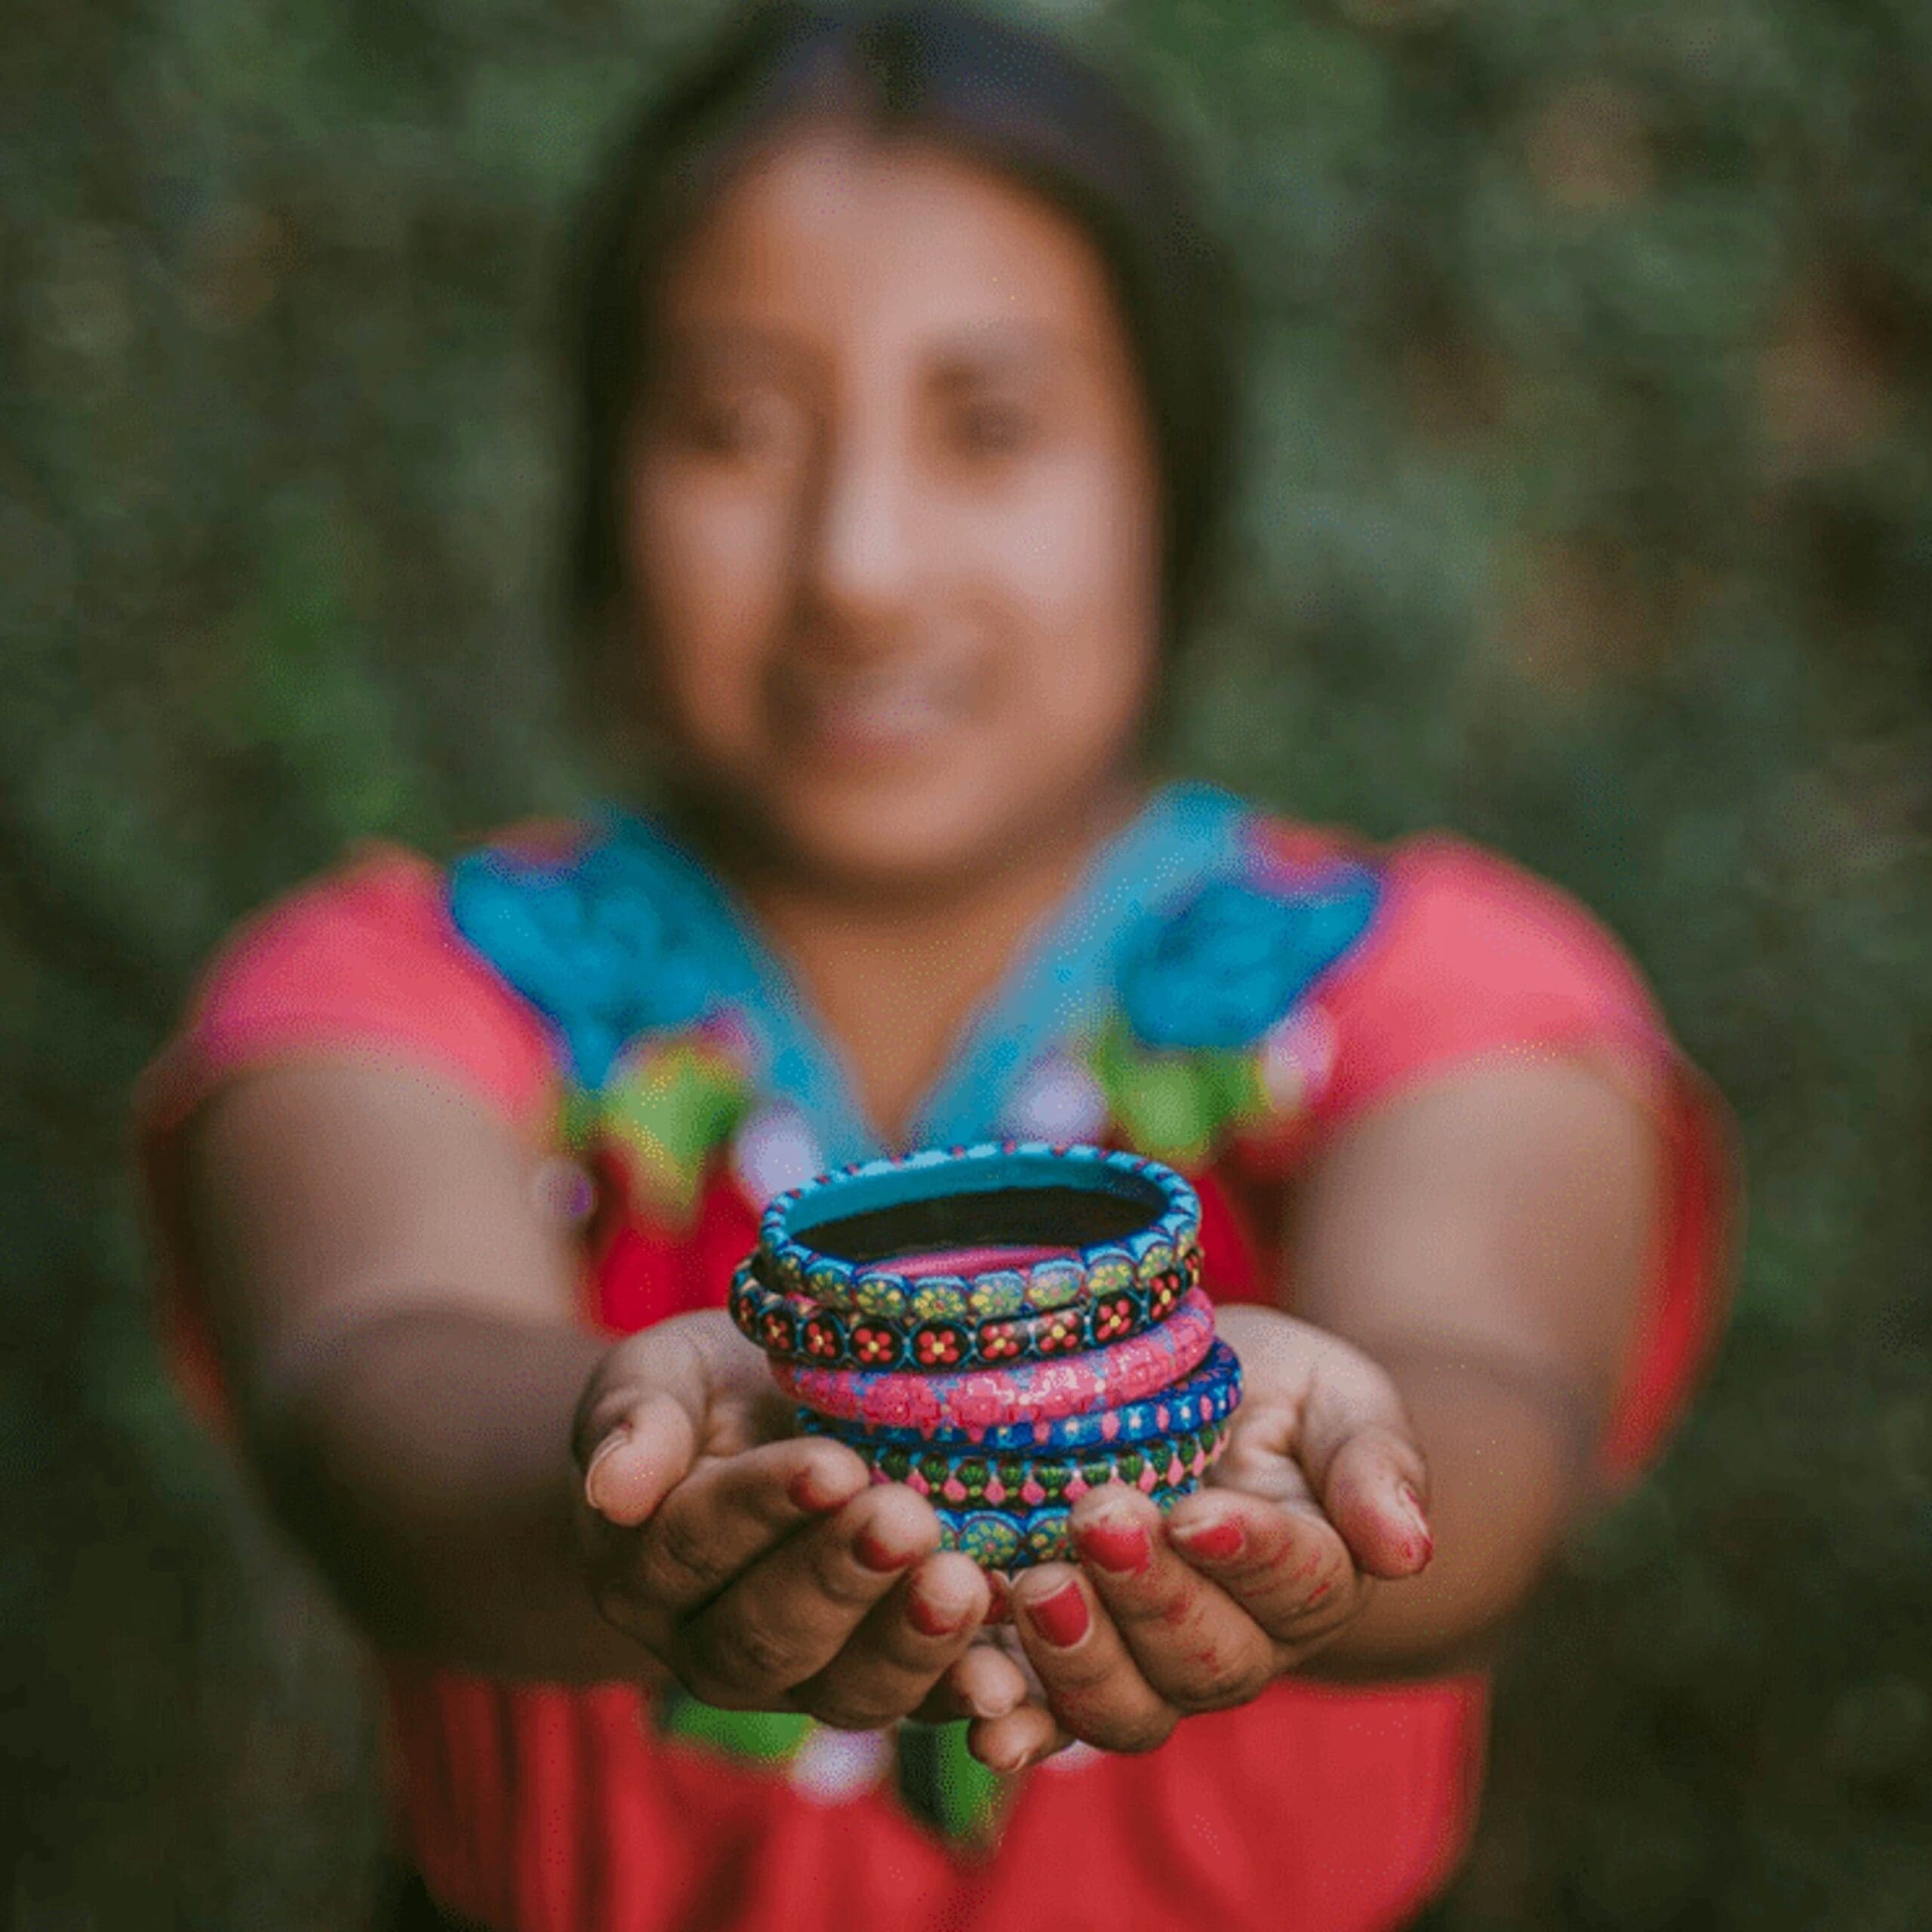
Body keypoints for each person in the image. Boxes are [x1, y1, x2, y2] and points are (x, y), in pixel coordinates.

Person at [135, 5, 1737, 1928]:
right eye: (732, 428)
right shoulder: (387, 991)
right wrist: (628, 1485)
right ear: (602, 484)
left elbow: (1488, 1411)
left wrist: (1315, 1478)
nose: (858, 566)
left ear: (1172, 470)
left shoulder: (1451, 987)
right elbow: (368, 1385)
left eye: (989, 426)